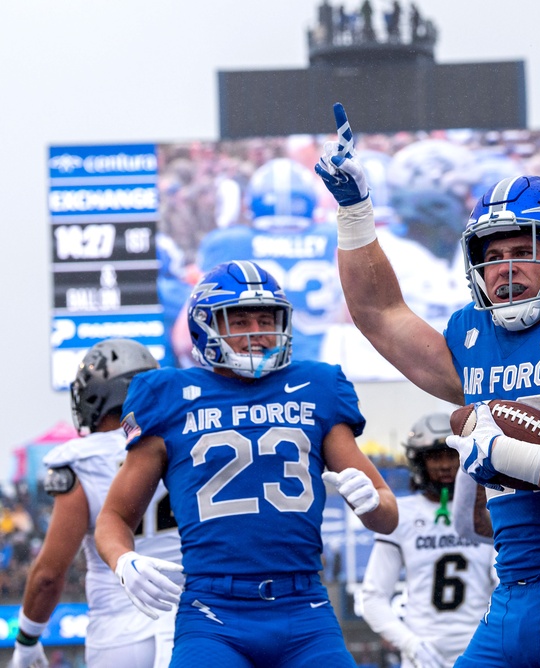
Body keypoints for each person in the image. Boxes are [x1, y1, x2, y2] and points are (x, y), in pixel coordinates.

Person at [315, 102, 540, 667]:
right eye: (492, 255)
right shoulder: (473, 334)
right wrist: (356, 212)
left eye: (523, 250)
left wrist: (504, 453)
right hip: (509, 590)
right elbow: (379, 313)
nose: (504, 267)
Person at [94, 259, 399, 667]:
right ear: (206, 327)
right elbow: (114, 517)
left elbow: (388, 516)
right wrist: (122, 560)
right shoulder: (167, 394)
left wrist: (373, 502)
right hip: (212, 612)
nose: (256, 332)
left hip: (304, 607)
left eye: (264, 318)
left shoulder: (316, 386)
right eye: (239, 322)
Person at [13, 339, 178, 668]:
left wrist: (27, 641)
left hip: (119, 633)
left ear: (96, 395)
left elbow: (49, 574)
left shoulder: (85, 459)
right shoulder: (184, 440)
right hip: (194, 624)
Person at [358, 413, 496, 668]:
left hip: (480, 648)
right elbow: (373, 598)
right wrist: (411, 645)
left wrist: (495, 640)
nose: (444, 465)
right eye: (435, 456)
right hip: (422, 655)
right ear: (419, 461)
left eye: (451, 455)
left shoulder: (485, 510)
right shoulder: (401, 514)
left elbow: (501, 584)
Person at [197, 157, 344, 362]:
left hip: (254, 370)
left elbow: (185, 341)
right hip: (327, 366)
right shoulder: (335, 236)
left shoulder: (228, 242)